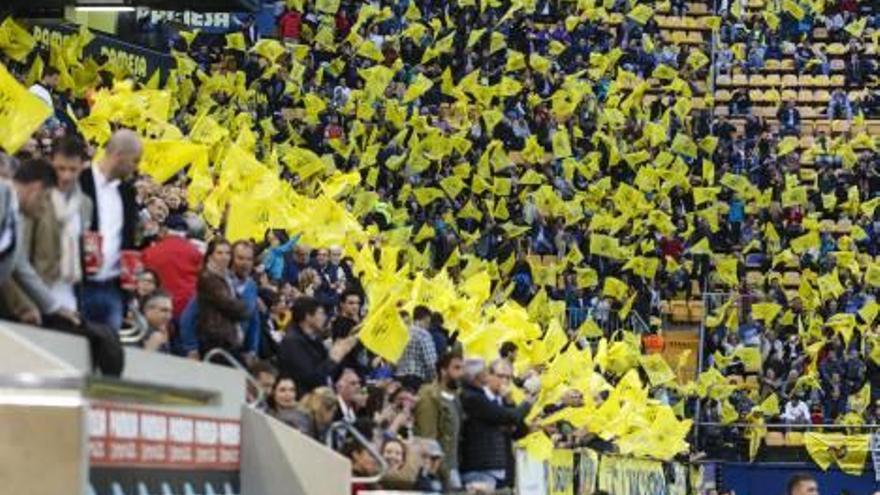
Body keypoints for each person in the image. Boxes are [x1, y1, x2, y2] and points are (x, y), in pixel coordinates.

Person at [0, 159, 77, 325]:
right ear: (36, 188)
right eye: (45, 198)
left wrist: (55, 307)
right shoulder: (2, 196)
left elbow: (20, 267)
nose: (43, 208)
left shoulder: (15, 216)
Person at [79, 130, 142, 332]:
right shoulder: (81, 181)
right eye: (135, 160)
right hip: (80, 283)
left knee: (108, 353)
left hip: (112, 288)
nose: (137, 167)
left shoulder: (127, 193)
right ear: (118, 155)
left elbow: (129, 240)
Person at [460, 359, 533, 491]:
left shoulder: (504, 400)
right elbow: (509, 417)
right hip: (480, 467)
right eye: (500, 376)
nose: (504, 381)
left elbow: (520, 431)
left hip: (503, 468)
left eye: (508, 378)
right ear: (488, 375)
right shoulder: (479, 398)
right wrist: (527, 403)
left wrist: (510, 402)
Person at [278, 296, 359, 396]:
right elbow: (312, 378)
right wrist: (333, 359)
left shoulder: (314, 339)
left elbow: (330, 371)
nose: (324, 317)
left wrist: (342, 352)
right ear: (308, 316)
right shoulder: (292, 342)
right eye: (321, 313)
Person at [414, 352, 465, 490]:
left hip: (452, 464)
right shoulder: (430, 397)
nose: (461, 373)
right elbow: (428, 439)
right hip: (437, 470)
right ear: (443, 371)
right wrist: (441, 471)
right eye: (456, 368)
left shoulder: (455, 397)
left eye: (462, 368)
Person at [195, 238, 249, 357]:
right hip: (215, 339)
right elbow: (228, 304)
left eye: (228, 253)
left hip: (228, 338)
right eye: (219, 253)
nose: (224, 257)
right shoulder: (208, 278)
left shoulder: (227, 278)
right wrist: (244, 307)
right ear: (210, 256)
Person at [141, 215, 202, 319]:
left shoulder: (149, 252)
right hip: (187, 307)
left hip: (158, 307)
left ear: (164, 230)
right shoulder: (196, 252)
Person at [230, 241, 261, 364]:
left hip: (240, 351)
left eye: (249, 259)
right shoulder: (219, 282)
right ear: (232, 258)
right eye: (240, 258)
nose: (245, 263)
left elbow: (254, 321)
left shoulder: (251, 285)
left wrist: (252, 350)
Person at [396, 305, 439, 389]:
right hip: (416, 378)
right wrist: (435, 380)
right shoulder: (423, 334)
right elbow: (431, 362)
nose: (429, 326)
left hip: (399, 376)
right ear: (426, 318)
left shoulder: (403, 333)